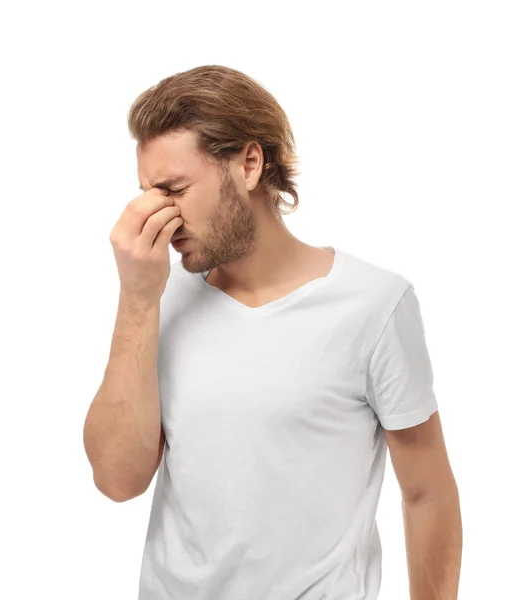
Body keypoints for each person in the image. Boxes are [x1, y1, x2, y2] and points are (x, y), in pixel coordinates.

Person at [83, 65, 462, 600]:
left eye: (175, 189)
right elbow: (117, 481)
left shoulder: (375, 305)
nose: (158, 217)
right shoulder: (157, 297)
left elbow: (427, 493)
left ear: (250, 164)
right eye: (149, 194)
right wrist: (137, 300)